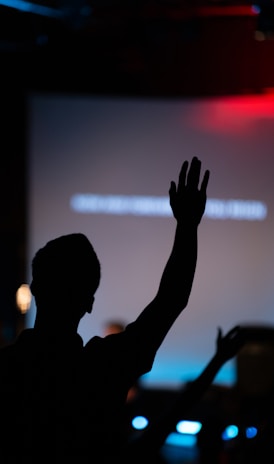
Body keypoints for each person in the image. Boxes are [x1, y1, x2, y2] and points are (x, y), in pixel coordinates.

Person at [0, 156, 209, 463]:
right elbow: (171, 299)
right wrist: (187, 226)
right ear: (89, 302)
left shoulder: (7, 369)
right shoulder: (104, 367)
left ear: (35, 290)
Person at [121, 325, 245, 463]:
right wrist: (218, 360)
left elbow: (184, 403)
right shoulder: (138, 451)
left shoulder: (132, 451)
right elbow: (185, 403)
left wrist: (218, 360)